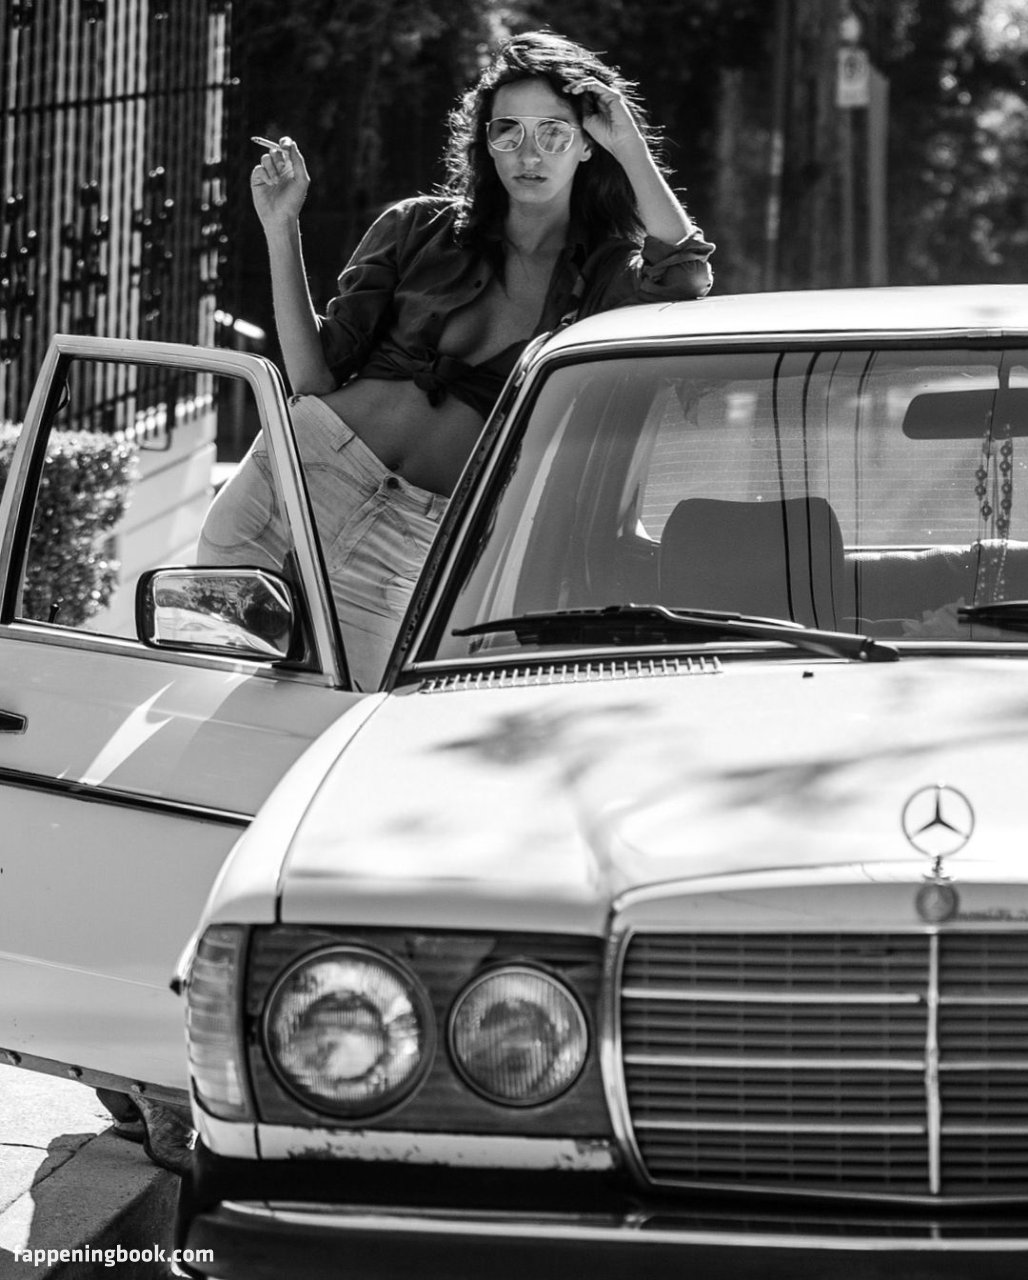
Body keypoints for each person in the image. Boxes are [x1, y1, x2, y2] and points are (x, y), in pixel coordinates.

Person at [199, 28, 714, 690]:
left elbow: (684, 277)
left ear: (589, 143)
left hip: (419, 532)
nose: (529, 153)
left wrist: (630, 146)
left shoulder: (606, 274)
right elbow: (312, 376)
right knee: (203, 692)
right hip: (293, 478)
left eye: (554, 133)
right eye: (508, 131)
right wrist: (281, 227)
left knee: (344, 721)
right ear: (485, 141)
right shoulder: (417, 227)